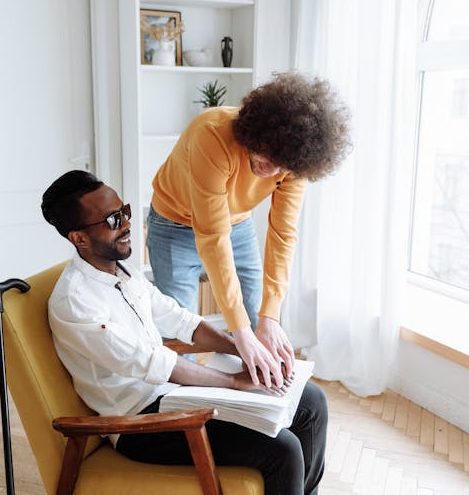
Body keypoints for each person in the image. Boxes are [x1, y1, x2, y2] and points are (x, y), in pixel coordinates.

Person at [41, 170, 328, 495]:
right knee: (283, 449)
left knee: (312, 402)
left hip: (174, 396)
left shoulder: (125, 273)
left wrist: (245, 351)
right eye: (111, 221)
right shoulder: (75, 301)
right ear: (78, 238)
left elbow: (180, 320)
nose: (126, 225)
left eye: (125, 212)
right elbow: (149, 361)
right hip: (141, 423)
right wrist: (234, 382)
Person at [146, 71, 351, 391]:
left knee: (260, 324)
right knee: (178, 330)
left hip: (237, 224)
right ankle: (184, 415)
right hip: (174, 224)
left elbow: (283, 234)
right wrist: (239, 331)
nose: (275, 172)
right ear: (256, 132)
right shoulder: (212, 134)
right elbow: (212, 236)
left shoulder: (292, 162)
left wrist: (269, 317)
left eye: (286, 166)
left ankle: (257, 408)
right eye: (270, 158)